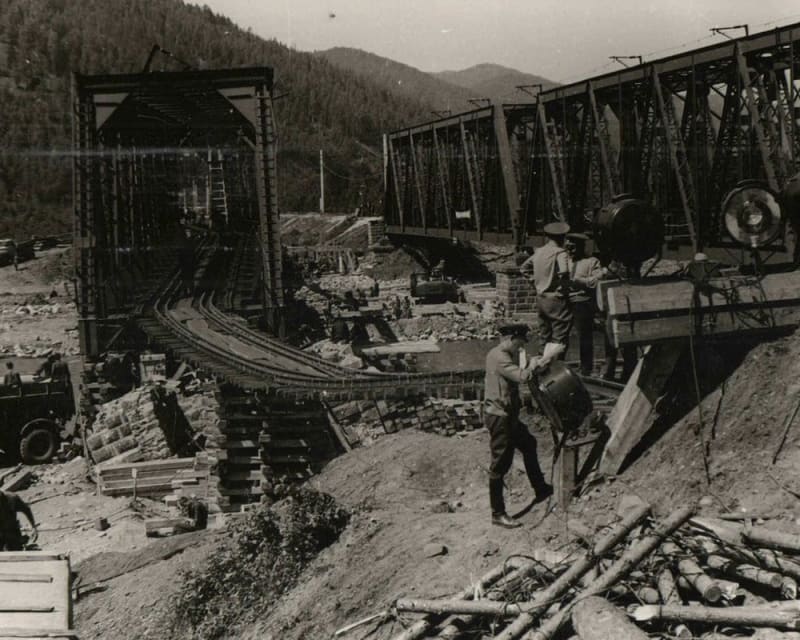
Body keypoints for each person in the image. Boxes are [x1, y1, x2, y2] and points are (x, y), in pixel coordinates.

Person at [484, 323, 557, 529]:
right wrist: (533, 365)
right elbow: (521, 377)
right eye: (519, 343)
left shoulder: (503, 354)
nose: (521, 347)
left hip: (508, 416)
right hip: (500, 417)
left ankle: (540, 488)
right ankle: (497, 513)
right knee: (500, 465)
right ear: (510, 339)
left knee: (529, 444)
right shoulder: (499, 357)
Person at [525, 222, 573, 355]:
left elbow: (524, 268)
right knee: (559, 338)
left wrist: (535, 282)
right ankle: (555, 366)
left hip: (541, 298)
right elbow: (564, 272)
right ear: (562, 237)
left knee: (544, 336)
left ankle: (541, 363)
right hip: (556, 299)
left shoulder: (539, 251)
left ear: (548, 236)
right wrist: (564, 288)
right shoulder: (560, 252)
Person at [566, 234, 604, 376]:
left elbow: (596, 280)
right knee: (561, 336)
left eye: (574, 248)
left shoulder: (591, 261)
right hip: (564, 301)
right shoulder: (564, 261)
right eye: (568, 247)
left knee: (584, 337)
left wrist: (580, 281)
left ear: (581, 247)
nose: (571, 251)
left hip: (582, 302)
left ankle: (586, 368)